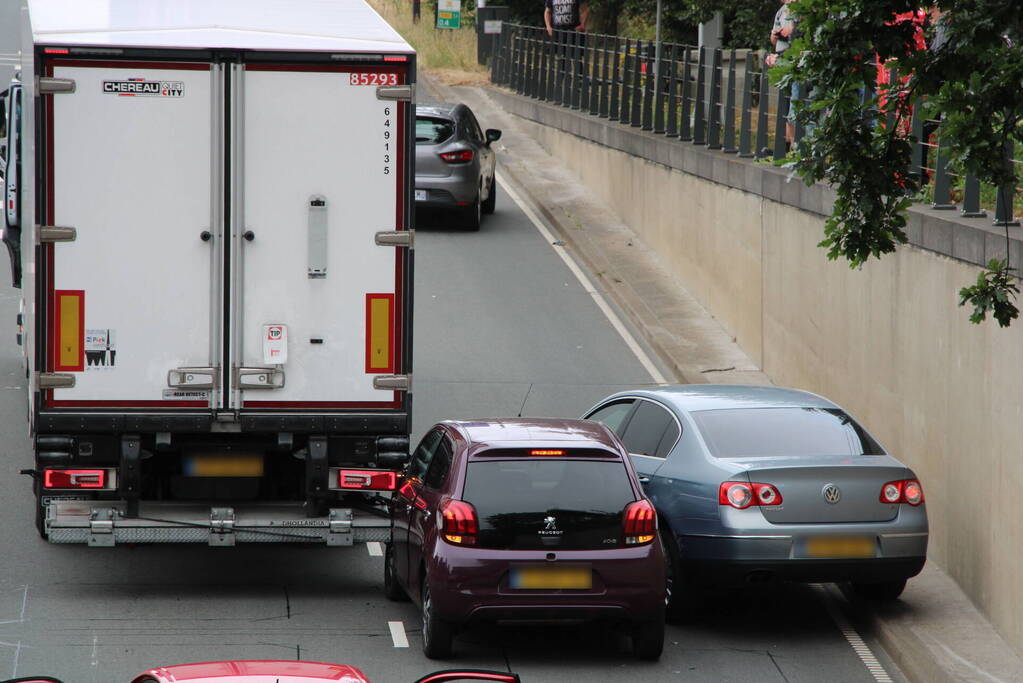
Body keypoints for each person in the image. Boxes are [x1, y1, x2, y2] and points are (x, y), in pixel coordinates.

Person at [765, 0, 796, 146]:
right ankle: (786, 142)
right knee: (785, 100)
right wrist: (775, 35)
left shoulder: (800, 11)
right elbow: (772, 41)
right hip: (781, 58)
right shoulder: (781, 11)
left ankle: (792, 142)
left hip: (793, 59)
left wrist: (791, 32)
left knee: (793, 101)